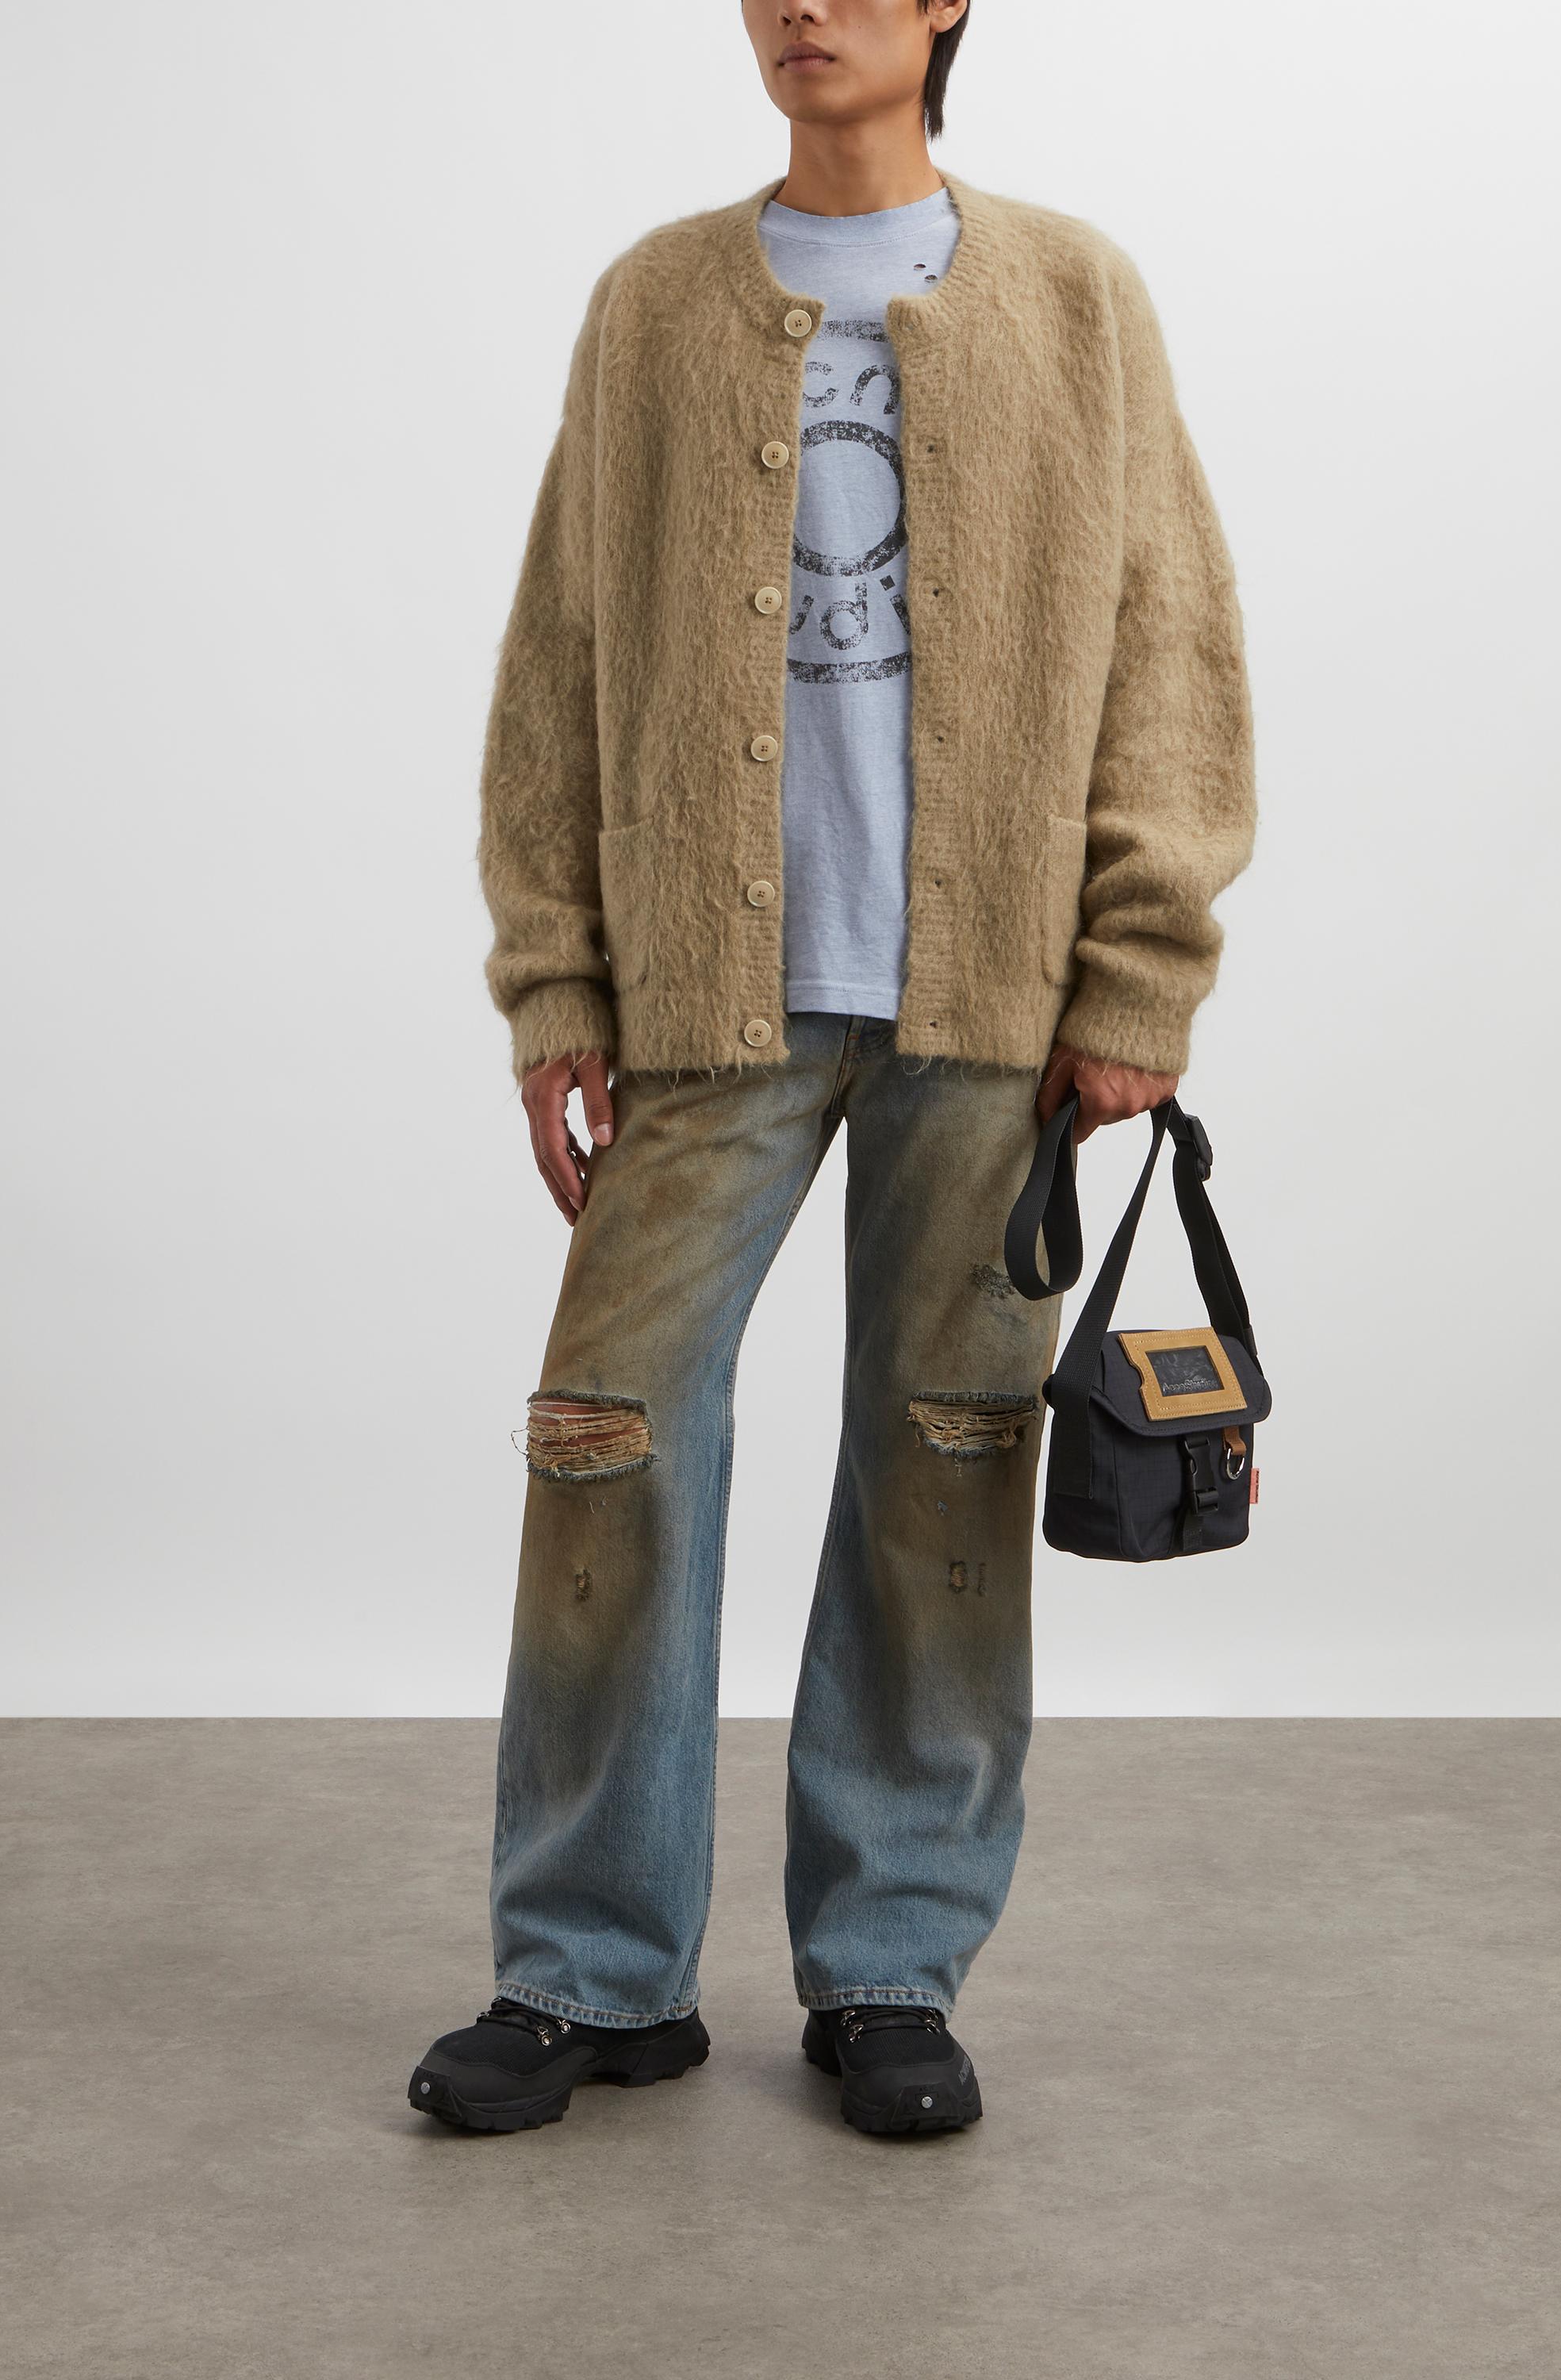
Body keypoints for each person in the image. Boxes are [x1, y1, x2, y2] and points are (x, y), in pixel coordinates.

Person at [409, 0, 1256, 2136]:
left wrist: (1137, 978)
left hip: (994, 997)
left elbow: (1169, 644)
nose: (802, 5)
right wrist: (556, 985)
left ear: (949, 2)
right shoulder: (654, 304)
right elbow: (557, 658)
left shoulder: (1075, 296)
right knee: (608, 1438)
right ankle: (590, 1973)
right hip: (709, 987)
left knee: (943, 1462)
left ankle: (889, 1964)